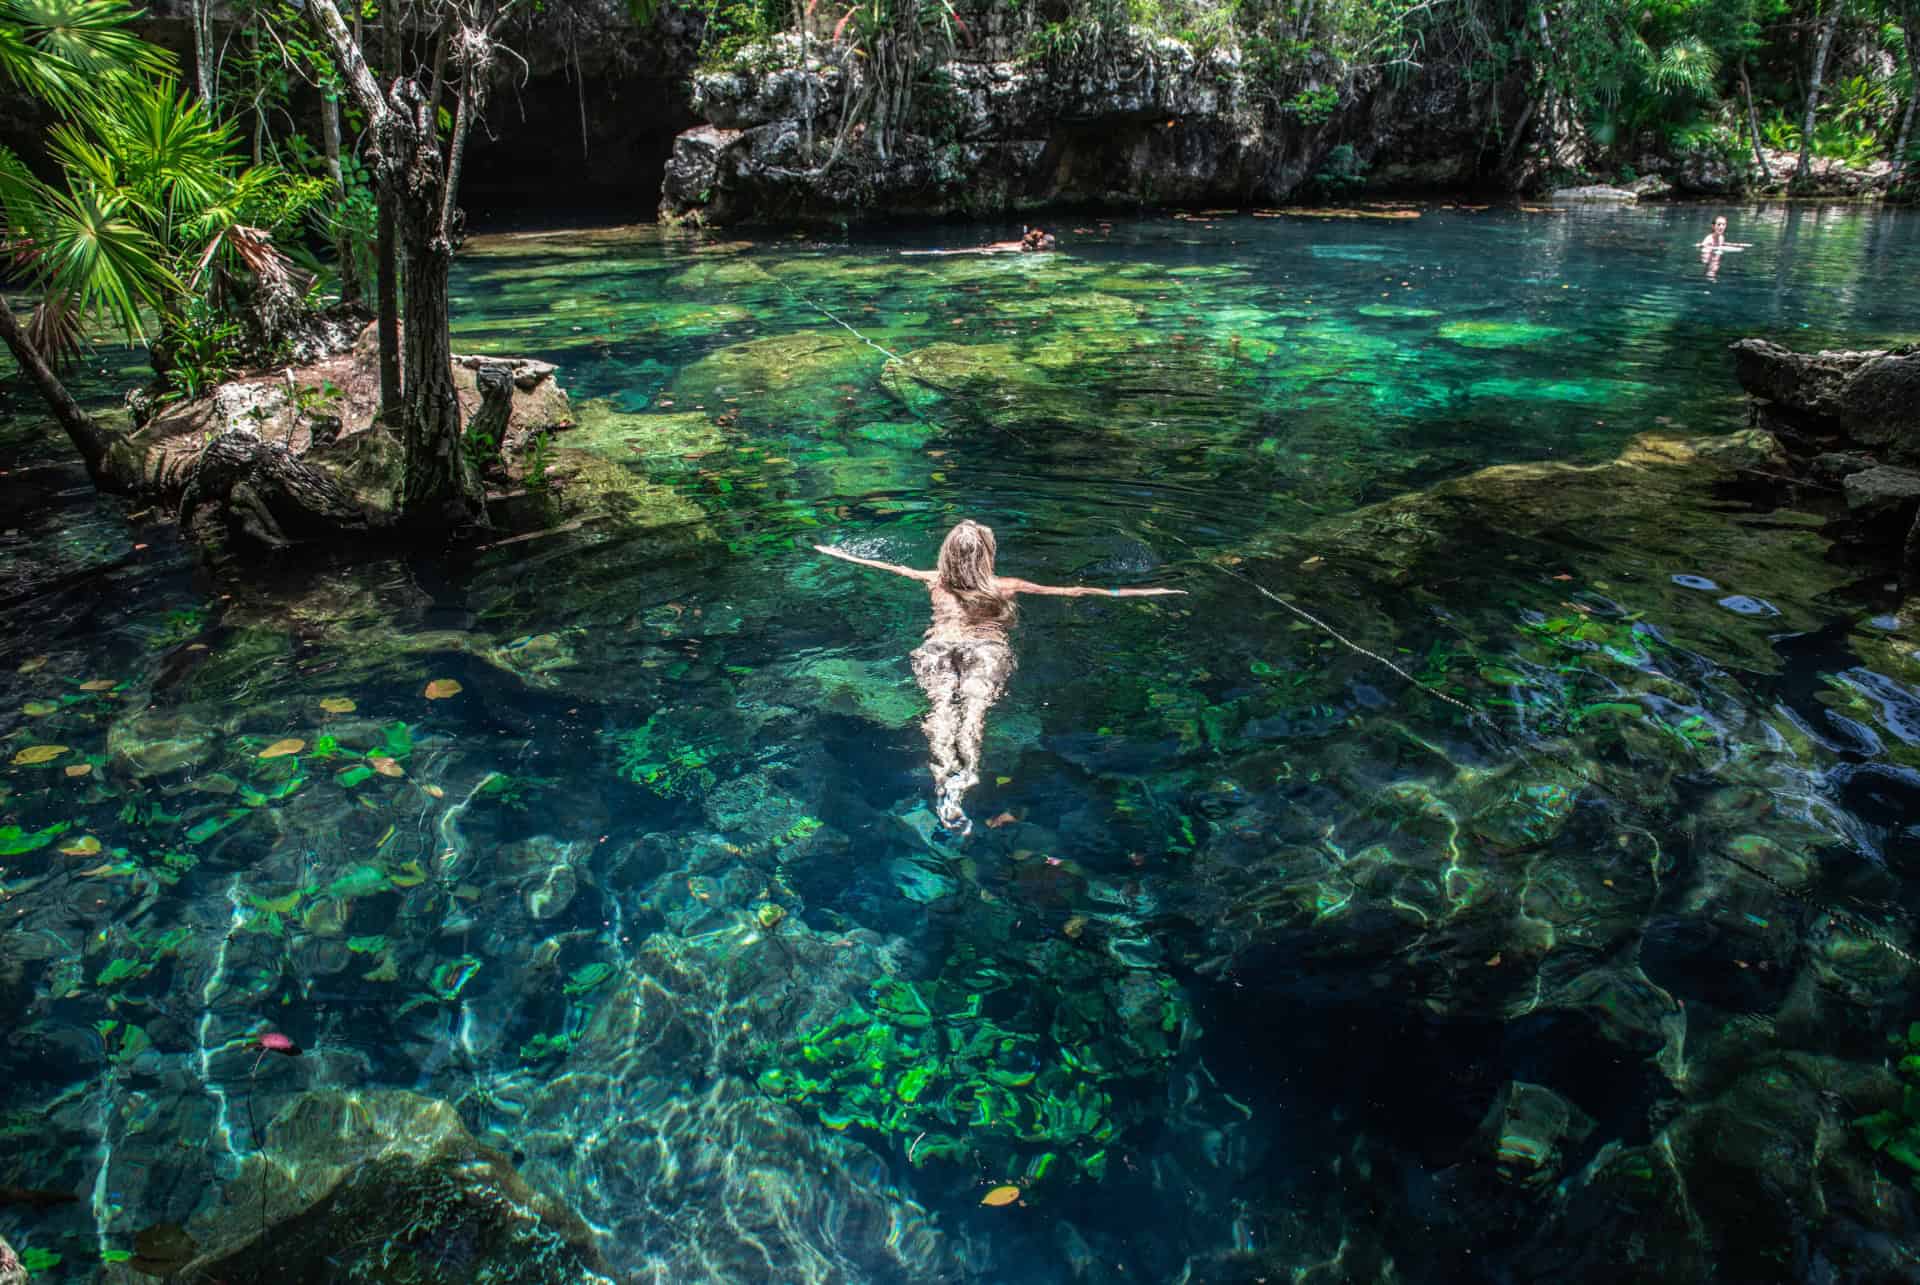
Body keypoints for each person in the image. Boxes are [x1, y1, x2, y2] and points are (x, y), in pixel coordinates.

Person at [814, 521, 1184, 834]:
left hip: (939, 647)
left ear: (945, 554)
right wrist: (1149, 589)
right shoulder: (1006, 586)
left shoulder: (933, 580)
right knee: (974, 712)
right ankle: (969, 771)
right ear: (988, 554)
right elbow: (1079, 591)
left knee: (942, 708)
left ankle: (946, 783)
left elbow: (879, 566)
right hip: (986, 649)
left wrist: (832, 552)